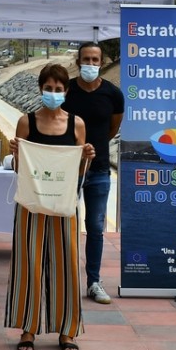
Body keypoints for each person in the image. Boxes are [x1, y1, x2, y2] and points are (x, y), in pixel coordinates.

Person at [6, 64, 94, 350]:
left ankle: (67, 331)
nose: (53, 93)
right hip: (31, 205)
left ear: (66, 92)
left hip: (64, 205)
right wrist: (16, 154)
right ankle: (28, 328)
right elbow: (19, 168)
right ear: (40, 89)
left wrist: (87, 157)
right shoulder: (26, 122)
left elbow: (78, 171)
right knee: (28, 264)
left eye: (58, 89)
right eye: (48, 88)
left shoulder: (77, 125)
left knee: (66, 265)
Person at [62, 42, 124, 305]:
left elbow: (112, 129)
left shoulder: (113, 94)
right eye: (85, 59)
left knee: (96, 227)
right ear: (78, 62)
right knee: (64, 223)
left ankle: (94, 282)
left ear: (101, 62)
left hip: (98, 170)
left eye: (94, 60)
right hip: (68, 170)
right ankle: (63, 278)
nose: (90, 64)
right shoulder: (66, 90)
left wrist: (93, 147)